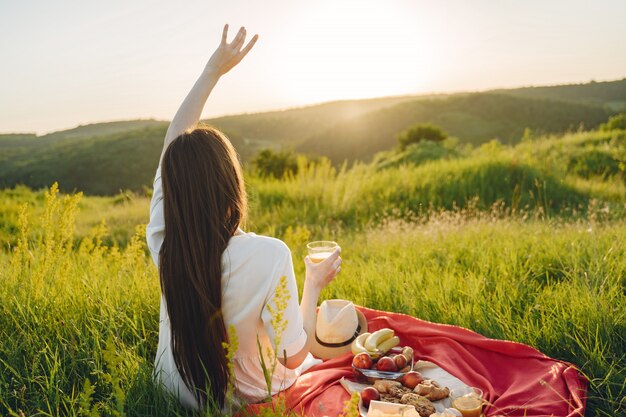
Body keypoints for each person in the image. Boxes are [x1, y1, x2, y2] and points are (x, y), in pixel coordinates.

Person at [145, 25, 342, 411]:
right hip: (238, 401)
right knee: (336, 349)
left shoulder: (164, 241)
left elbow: (173, 143)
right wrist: (314, 285)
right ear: (231, 183)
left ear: (172, 186)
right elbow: (293, 358)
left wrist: (211, 72)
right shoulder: (269, 254)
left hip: (172, 391)